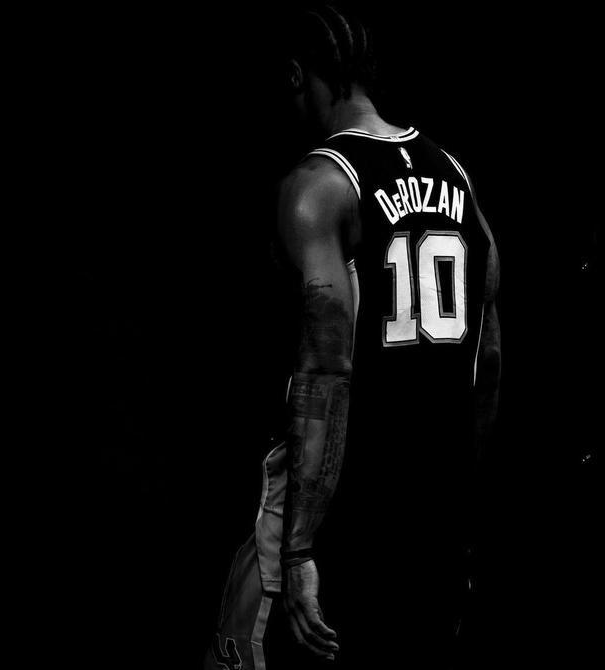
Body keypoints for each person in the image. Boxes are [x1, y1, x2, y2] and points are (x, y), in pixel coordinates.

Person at [204, 4, 500, 668]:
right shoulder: (457, 175)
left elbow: (325, 369)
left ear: (294, 76)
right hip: (435, 518)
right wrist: (464, 508)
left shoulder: (319, 184)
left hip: (346, 519)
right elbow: (489, 357)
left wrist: (299, 548)